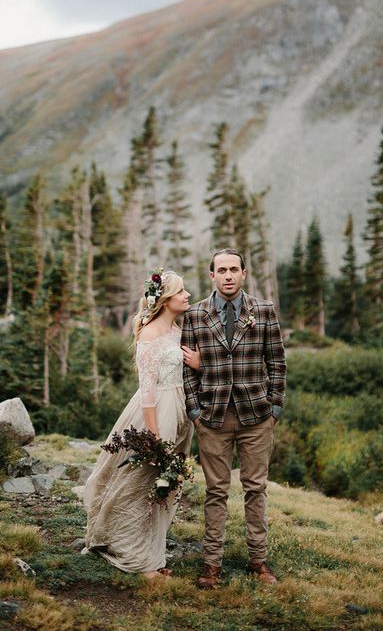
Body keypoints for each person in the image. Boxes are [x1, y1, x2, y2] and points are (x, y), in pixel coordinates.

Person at [181, 248, 286, 589]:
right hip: (212, 418)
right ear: (211, 275)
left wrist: (275, 410)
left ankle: (259, 559)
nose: (227, 275)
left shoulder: (264, 311)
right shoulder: (196, 315)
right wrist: (195, 412)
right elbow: (187, 371)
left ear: (244, 274)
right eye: (221, 270)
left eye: (233, 269)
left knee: (255, 489)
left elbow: (278, 363)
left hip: (256, 416)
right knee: (216, 491)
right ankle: (212, 563)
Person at [83, 270, 197, 579]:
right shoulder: (149, 335)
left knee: (166, 486)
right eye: (180, 292)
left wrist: (198, 365)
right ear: (164, 300)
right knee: (142, 483)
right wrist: (154, 438)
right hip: (156, 413)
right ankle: (133, 555)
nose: (187, 295)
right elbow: (147, 391)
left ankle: (152, 551)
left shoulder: (177, 331)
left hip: (180, 412)